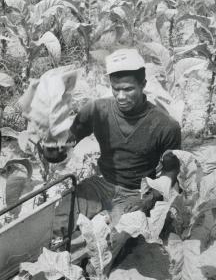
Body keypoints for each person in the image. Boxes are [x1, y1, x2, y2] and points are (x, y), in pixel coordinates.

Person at [48, 48, 181, 254]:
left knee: (109, 243)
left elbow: (171, 170)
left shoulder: (165, 125)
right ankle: (59, 258)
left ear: (143, 85)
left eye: (128, 89)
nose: (121, 96)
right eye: (115, 88)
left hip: (135, 192)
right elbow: (68, 141)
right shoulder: (96, 110)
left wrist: (153, 196)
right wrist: (54, 150)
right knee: (60, 219)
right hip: (101, 183)